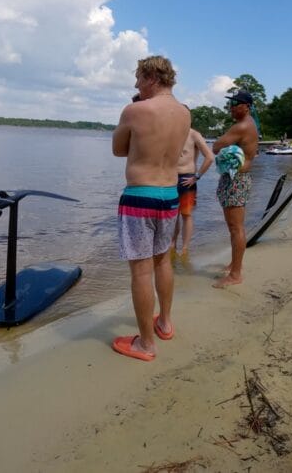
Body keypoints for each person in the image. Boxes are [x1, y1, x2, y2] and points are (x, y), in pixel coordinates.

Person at [111, 55, 190, 361]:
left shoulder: (135, 110)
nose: (136, 85)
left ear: (152, 77)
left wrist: (130, 124)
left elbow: (118, 149)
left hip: (140, 196)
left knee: (141, 271)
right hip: (170, 195)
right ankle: (165, 323)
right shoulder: (185, 114)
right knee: (163, 262)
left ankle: (145, 343)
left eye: (139, 78)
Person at [211, 90, 259, 288]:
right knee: (235, 227)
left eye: (236, 103)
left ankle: (236, 274)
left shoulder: (242, 126)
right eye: (231, 103)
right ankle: (234, 264)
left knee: (235, 227)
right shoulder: (250, 124)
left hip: (237, 180)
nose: (231, 107)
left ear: (246, 107)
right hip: (239, 178)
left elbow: (216, 147)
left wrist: (222, 148)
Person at [173, 122, 214, 258]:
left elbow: (210, 157)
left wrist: (197, 176)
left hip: (187, 179)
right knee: (172, 215)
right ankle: (172, 245)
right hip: (169, 179)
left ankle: (185, 248)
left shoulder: (194, 134)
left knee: (186, 214)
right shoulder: (169, 132)